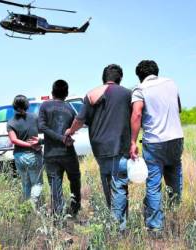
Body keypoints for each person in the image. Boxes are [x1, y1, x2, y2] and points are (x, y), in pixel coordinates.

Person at [66, 64, 131, 230]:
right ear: (120, 78)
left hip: (100, 149)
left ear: (103, 78)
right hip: (120, 147)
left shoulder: (91, 94)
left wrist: (70, 131)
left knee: (109, 185)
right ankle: (120, 227)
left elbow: (79, 120)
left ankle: (117, 223)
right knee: (120, 186)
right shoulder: (127, 94)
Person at [130, 60, 184, 232]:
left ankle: (155, 226)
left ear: (139, 76)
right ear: (156, 71)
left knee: (153, 184)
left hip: (154, 141)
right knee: (174, 175)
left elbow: (137, 113)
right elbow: (179, 109)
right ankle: (175, 213)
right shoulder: (171, 83)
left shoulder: (140, 89)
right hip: (176, 138)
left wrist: (133, 141)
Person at [38, 79, 81, 216]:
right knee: (75, 179)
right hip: (68, 152)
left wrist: (59, 137)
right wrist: (64, 137)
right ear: (66, 93)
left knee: (55, 183)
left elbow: (42, 127)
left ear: (52, 92)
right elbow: (74, 127)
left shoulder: (44, 106)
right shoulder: (70, 108)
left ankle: (58, 215)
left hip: (51, 154)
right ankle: (74, 209)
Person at [7, 95, 43, 206]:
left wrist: (26, 144)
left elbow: (13, 140)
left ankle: (27, 209)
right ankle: (33, 205)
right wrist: (32, 145)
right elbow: (44, 131)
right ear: (27, 105)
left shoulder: (11, 122)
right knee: (37, 184)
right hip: (33, 155)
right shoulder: (34, 117)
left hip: (19, 157)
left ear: (14, 106)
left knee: (26, 184)